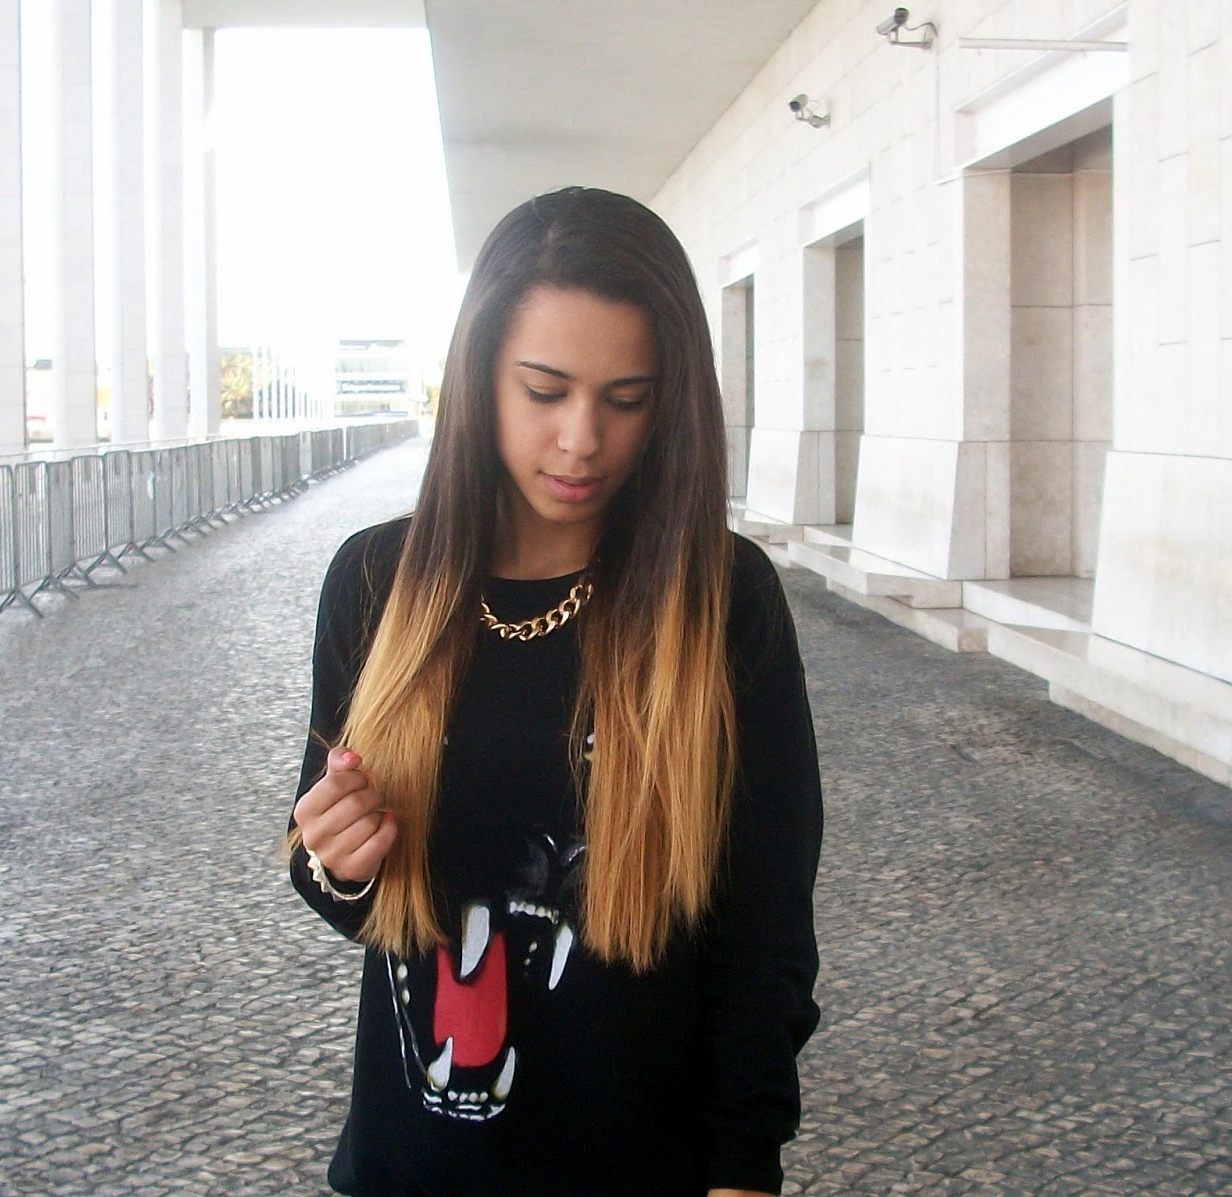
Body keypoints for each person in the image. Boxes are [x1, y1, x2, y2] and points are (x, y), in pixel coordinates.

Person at [287, 186, 822, 1197]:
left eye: (626, 398)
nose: (582, 438)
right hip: (410, 1167)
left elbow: (765, 925)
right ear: (479, 377)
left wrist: (745, 1167)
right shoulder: (375, 581)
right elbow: (339, 887)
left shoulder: (721, 597)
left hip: (641, 1169)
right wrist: (337, 858)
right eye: (544, 390)